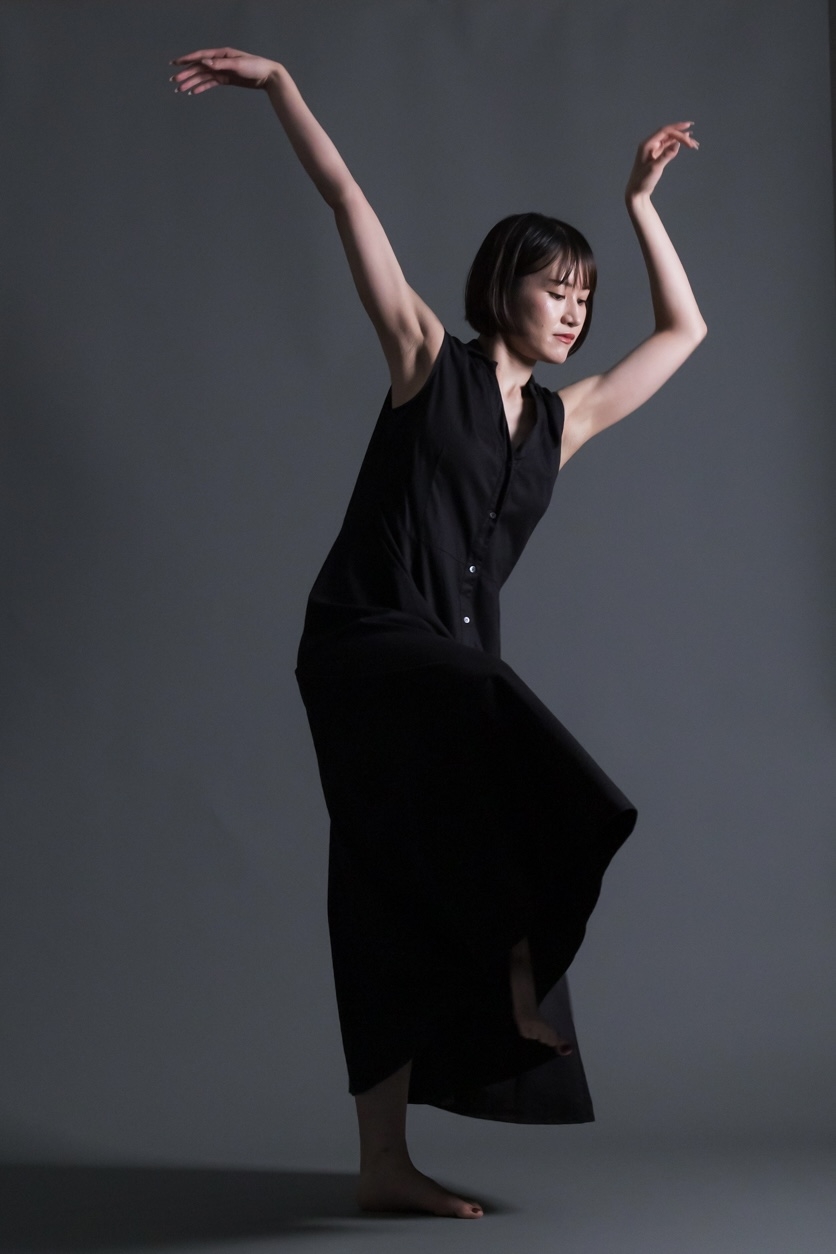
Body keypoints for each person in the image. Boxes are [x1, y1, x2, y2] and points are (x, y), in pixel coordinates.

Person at [169, 45, 706, 1220]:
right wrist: (280, 86)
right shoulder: (426, 361)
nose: (573, 311)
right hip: (368, 642)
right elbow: (345, 200)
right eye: (556, 288)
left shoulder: (561, 426)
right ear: (501, 287)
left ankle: (381, 1162)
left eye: (584, 298)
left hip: (450, 670)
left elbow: (683, 332)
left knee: (382, 893)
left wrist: (638, 204)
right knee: (497, 722)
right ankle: (515, 967)